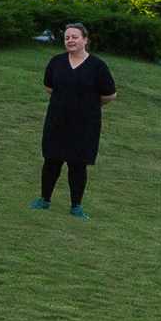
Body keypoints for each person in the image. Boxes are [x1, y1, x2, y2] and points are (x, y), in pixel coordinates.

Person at [36, 23, 115, 219]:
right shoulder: (57, 62)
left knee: (77, 164)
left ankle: (76, 206)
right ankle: (44, 199)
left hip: (85, 125)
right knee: (52, 160)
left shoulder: (97, 66)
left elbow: (109, 94)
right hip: (57, 121)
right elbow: (49, 87)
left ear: (85, 40)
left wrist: (87, 106)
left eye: (75, 37)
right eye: (67, 38)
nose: (70, 40)